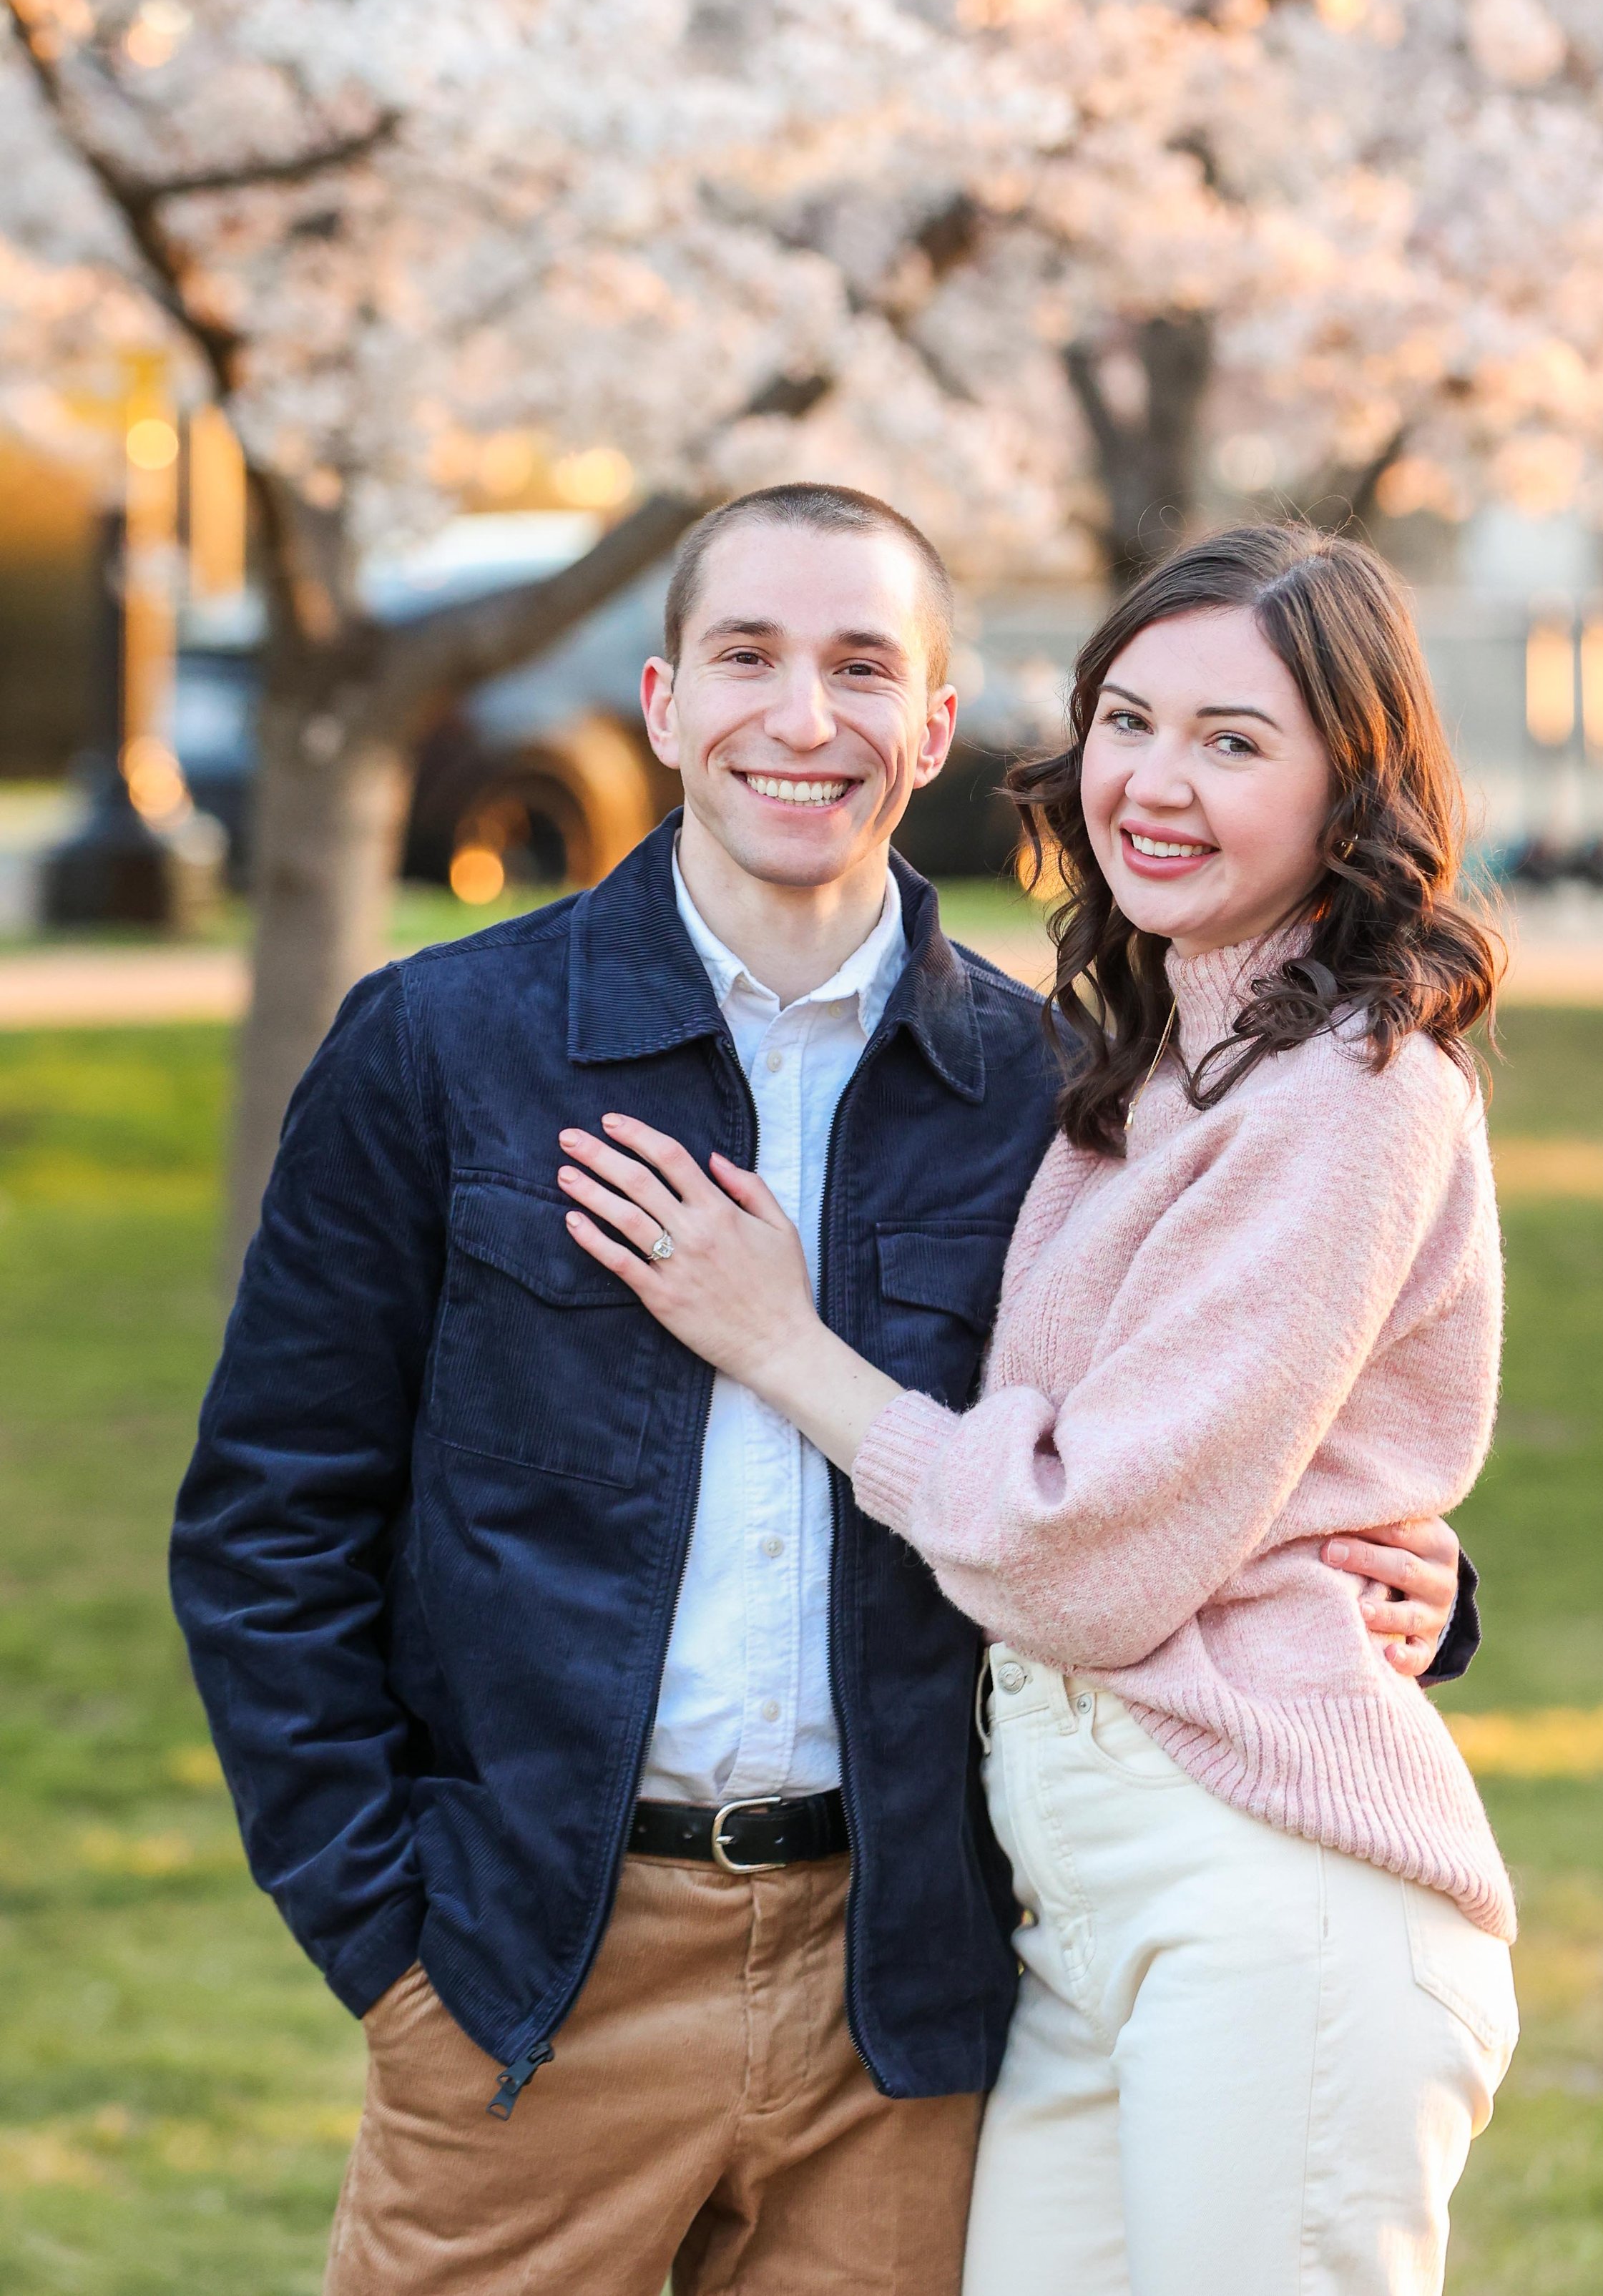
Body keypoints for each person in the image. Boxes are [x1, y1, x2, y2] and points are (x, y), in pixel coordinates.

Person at [171, 489, 1476, 2296]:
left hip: (909, 1990)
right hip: (533, 1972)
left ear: (932, 727)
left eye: (862, 667)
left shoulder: (1049, 1093)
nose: (803, 720)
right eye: (748, 661)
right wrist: (390, 1942)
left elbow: (1195, 1429)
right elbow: (269, 1520)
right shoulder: (443, 1048)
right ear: (659, 702)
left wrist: (1423, 1579)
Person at [558, 520, 1516, 2296]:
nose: (1153, 784)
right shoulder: (1150, 1064)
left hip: (1267, 1893)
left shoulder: (1350, 1091)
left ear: (1351, 784)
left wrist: (785, 1347)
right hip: (1082, 1910)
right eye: (1128, 721)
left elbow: (1085, 1557)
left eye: (1234, 743)